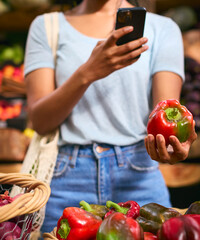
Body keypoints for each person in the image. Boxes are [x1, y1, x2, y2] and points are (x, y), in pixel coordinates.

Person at [24, 0, 197, 234]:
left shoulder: (163, 29)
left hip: (139, 174)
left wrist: (171, 145)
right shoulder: (47, 27)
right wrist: (88, 72)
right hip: (65, 180)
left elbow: (165, 112)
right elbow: (39, 121)